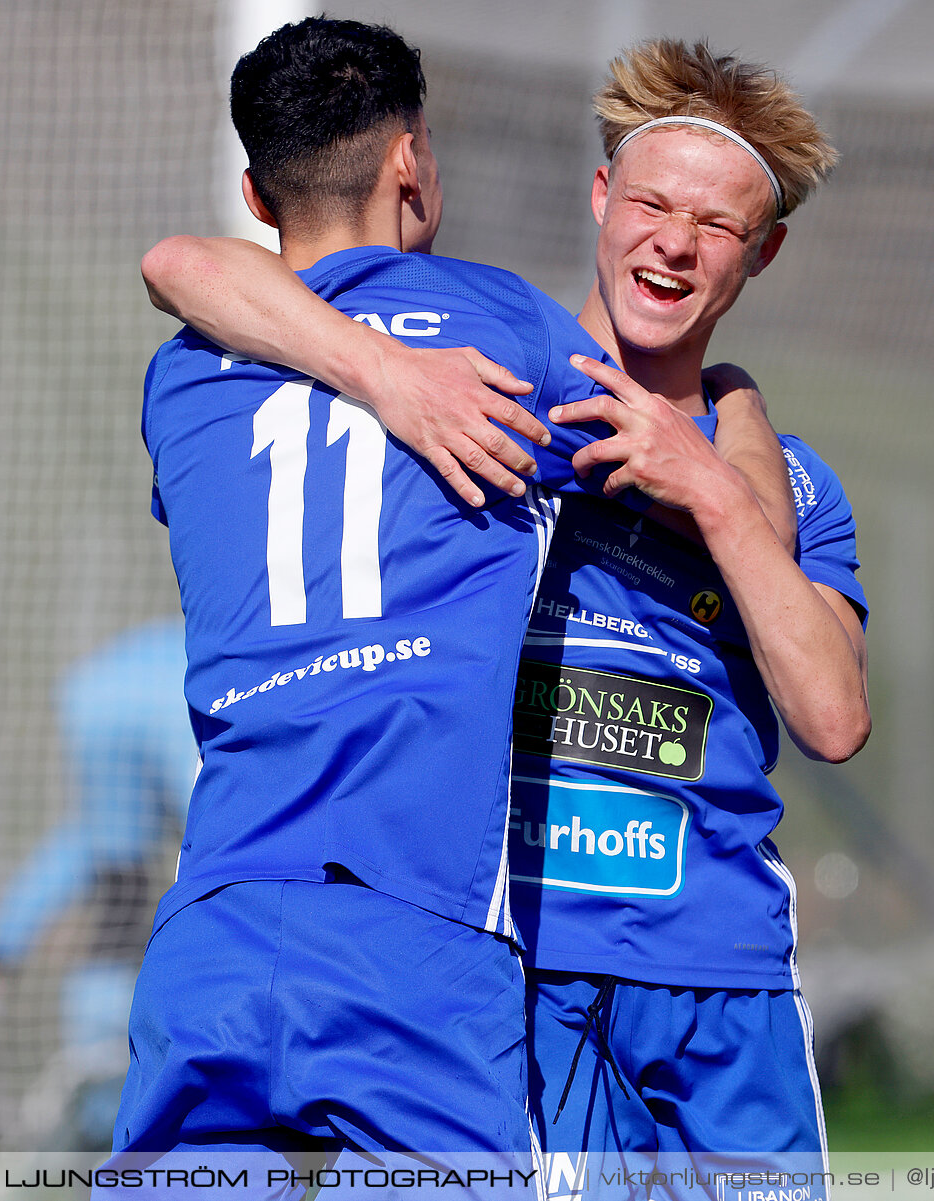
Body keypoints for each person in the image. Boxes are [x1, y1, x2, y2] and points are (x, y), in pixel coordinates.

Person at [142, 37, 870, 1169]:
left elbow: (832, 718)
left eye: (718, 225)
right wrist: (384, 370)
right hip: (515, 959)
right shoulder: (482, 390)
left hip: (719, 967)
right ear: (601, 197)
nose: (675, 242)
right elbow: (189, 266)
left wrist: (724, 453)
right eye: (654, 203)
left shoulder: (788, 481)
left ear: (762, 251)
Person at [0, 620, 196, 1155]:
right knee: (218, 875)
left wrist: (1, 944)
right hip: (179, 696)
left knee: (119, 886)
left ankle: (91, 1103)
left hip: (97, 692)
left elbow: (88, 846)